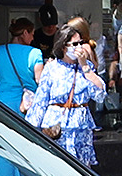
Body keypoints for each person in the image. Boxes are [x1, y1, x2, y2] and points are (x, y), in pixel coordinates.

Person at [34, 21, 106, 167]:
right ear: (63, 46)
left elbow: (100, 94)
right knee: (59, 167)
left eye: (80, 43)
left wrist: (85, 65)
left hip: (81, 126)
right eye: (74, 44)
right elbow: (40, 100)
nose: (78, 48)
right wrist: (32, 128)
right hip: (57, 126)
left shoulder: (86, 67)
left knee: (83, 169)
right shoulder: (52, 68)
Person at [0, 17, 44, 123]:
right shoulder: (35, 53)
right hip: (26, 105)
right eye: (32, 34)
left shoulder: (0, 50)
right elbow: (39, 80)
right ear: (24, 33)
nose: (33, 38)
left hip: (3, 102)